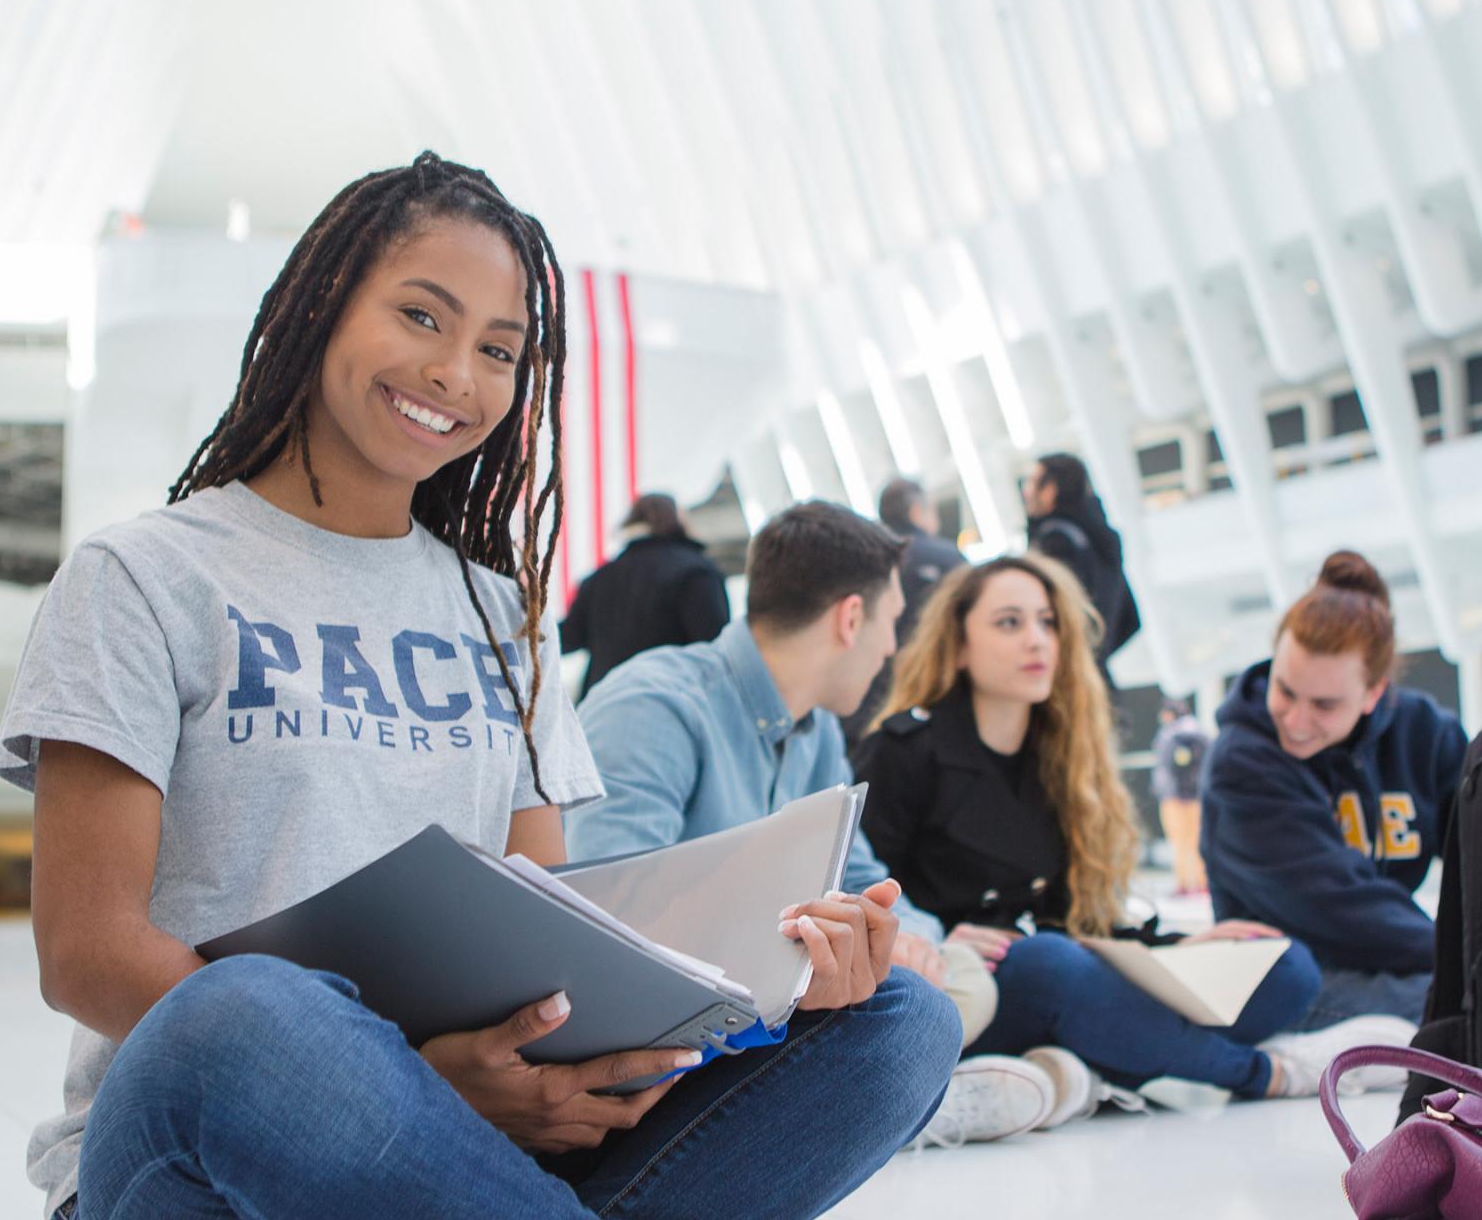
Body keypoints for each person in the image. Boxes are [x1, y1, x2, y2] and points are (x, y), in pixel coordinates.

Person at [0, 154, 1043, 1220]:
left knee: (903, 1027)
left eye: (500, 349)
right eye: (422, 316)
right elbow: (86, 953)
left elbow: (552, 924)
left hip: (472, 1184)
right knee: (244, 1014)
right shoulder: (143, 578)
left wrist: (771, 986)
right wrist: (411, 1083)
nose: (456, 375)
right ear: (320, 302)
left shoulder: (503, 622)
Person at [853, 554, 1409, 1138]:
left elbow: (1085, 918)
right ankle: (1261, 1072)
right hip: (977, 987)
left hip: (1075, 972)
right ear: (959, 646)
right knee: (1050, 964)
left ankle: (1084, 1070)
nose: (1037, 639)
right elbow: (859, 889)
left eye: (1048, 622)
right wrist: (930, 938)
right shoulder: (903, 751)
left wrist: (1179, 943)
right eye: (1010, 623)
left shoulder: (1064, 757)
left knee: (1285, 965)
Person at [570, 500, 1001, 1061]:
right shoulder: (654, 706)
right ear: (850, 619)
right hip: (673, 1039)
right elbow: (613, 926)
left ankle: (913, 1089)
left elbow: (861, 874)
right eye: (892, 621)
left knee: (952, 982)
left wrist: (917, 938)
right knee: (914, 1013)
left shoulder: (816, 730)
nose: (894, 647)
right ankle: (918, 1092)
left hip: (773, 1003)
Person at [1202, 551, 1469, 1030]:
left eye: (1324, 704)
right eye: (1284, 690)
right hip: (1284, 977)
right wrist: (1461, 962)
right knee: (1458, 1008)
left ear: (1373, 694)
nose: (1297, 720)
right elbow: (1341, 906)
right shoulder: (1240, 763)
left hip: (1390, 961)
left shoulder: (1428, 734)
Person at [559, 492, 730, 699]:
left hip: (601, 707)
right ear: (677, 522)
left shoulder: (599, 578)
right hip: (671, 705)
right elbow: (716, 650)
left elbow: (567, 639)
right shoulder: (697, 572)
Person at [841, 476, 965, 749]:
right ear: (917, 512)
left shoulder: (857, 559)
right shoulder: (949, 559)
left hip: (865, 697)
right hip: (930, 692)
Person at [1022, 452, 1139, 687]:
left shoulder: (1055, 542)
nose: (1026, 491)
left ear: (1051, 489)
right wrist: (1097, 653)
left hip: (1068, 683)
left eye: (1032, 482)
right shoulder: (1100, 540)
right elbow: (1131, 619)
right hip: (1098, 680)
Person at [1152, 698, 1210, 895]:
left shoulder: (1177, 735)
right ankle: (1192, 883)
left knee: (1187, 842)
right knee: (1190, 842)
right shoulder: (1193, 732)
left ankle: (1191, 883)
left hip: (1179, 796)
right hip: (1189, 795)